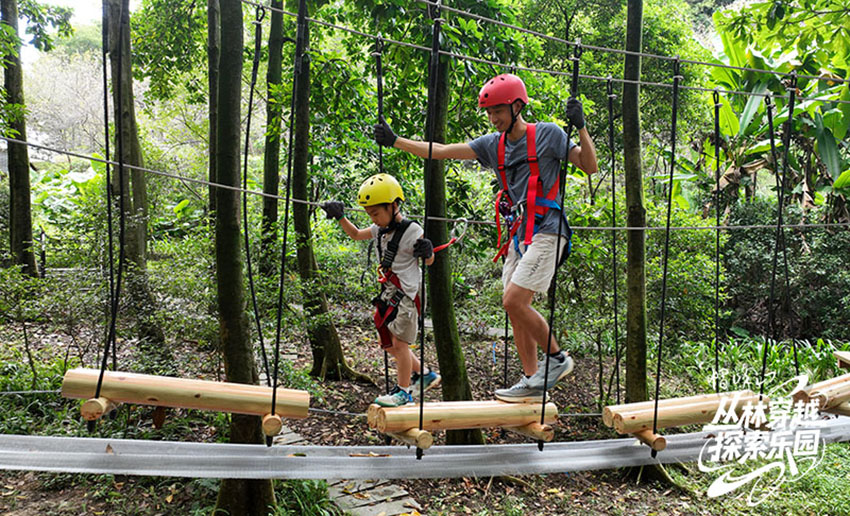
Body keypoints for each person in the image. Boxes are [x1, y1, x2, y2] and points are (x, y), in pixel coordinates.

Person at [373, 73, 598, 403]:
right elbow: (442, 151)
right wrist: (395, 141)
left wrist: (581, 127)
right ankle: (532, 383)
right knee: (515, 308)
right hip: (520, 234)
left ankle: (557, 359)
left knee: (514, 300)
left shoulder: (548, 134)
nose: (493, 119)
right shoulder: (493, 144)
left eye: (498, 111)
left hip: (549, 229)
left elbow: (589, 166)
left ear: (517, 106)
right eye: (489, 112)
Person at [321, 173, 441, 407]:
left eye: (376, 213)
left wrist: (428, 251)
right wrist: (340, 216)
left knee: (400, 344)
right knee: (387, 343)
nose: (373, 219)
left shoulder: (412, 230)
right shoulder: (379, 229)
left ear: (393, 206)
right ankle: (424, 374)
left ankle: (403, 392)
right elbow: (356, 234)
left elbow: (429, 261)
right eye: (369, 214)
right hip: (389, 293)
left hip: (407, 295)